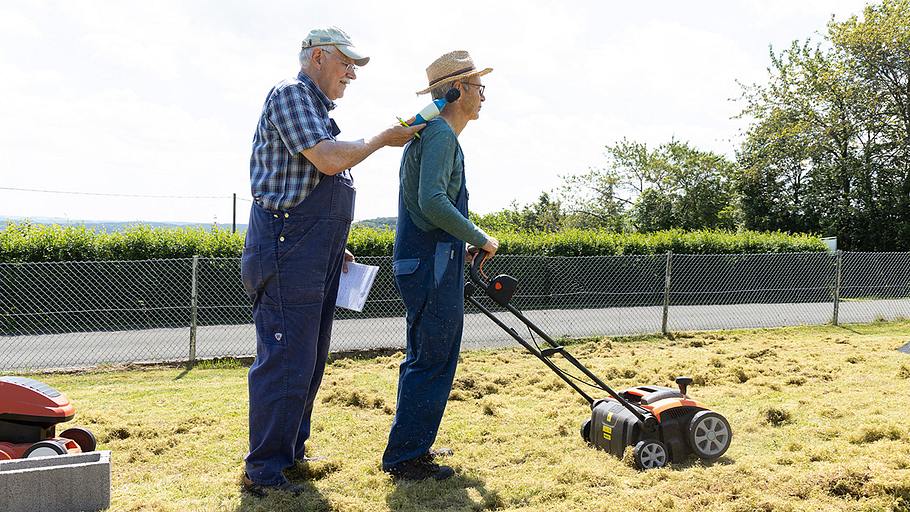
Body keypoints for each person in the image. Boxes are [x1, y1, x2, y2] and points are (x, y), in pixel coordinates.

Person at [240, 27, 422, 496]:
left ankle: (290, 453)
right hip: (285, 248)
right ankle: (264, 469)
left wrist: (333, 243)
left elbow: (309, 179)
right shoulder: (291, 94)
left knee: (309, 360)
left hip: (310, 252)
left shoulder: (317, 111)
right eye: (347, 64)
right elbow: (325, 160)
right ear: (318, 56)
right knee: (285, 359)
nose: (351, 75)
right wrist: (382, 138)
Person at [381, 50, 499, 481]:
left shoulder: (433, 134)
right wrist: (481, 238)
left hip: (433, 259)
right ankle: (406, 457)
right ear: (458, 89)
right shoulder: (440, 136)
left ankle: (413, 445)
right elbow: (433, 202)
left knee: (426, 356)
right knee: (432, 358)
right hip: (431, 265)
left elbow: (428, 206)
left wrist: (460, 245)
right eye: (479, 87)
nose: (484, 96)